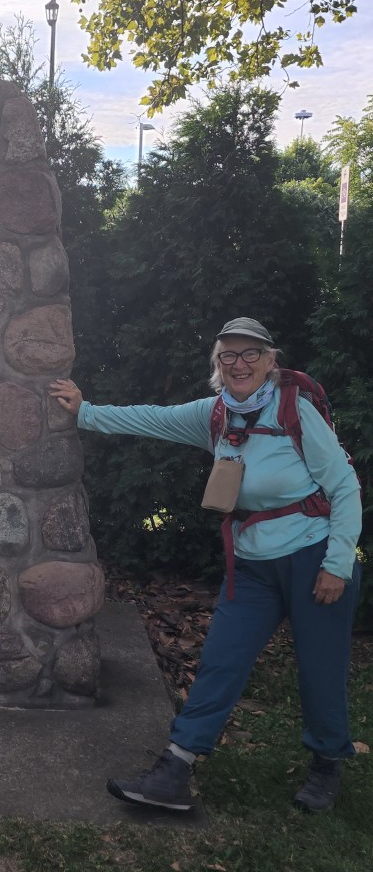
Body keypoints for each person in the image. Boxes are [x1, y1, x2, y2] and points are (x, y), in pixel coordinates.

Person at [50, 317, 362, 813]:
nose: (239, 364)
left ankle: (327, 763)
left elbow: (345, 487)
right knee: (220, 661)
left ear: (269, 361)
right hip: (253, 566)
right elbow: (149, 418)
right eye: (228, 356)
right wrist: (85, 412)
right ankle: (175, 769)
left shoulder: (294, 409)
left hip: (311, 557)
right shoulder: (214, 414)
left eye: (250, 354)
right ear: (218, 365)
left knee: (319, 669)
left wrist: (338, 564)